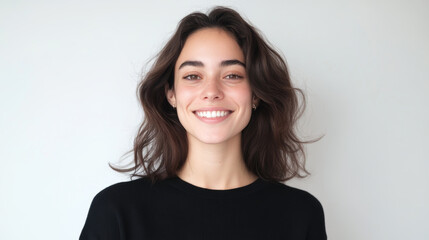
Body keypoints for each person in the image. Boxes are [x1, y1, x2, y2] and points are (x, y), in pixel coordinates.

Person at [79, 6, 327, 240]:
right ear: (171, 94)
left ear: (256, 94)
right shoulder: (116, 212)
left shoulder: (301, 214)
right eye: (193, 76)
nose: (211, 91)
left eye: (232, 75)